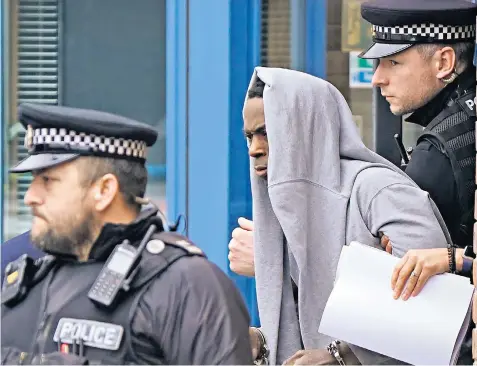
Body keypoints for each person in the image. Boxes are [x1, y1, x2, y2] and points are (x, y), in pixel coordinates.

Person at [1, 103, 253, 365]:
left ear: (104, 190)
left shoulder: (186, 286)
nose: (30, 197)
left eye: (48, 181)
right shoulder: (27, 283)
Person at [242, 67, 454, 365]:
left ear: (305, 127)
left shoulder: (380, 191)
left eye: (266, 132)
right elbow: (311, 325)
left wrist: (344, 356)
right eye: (249, 136)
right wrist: (259, 342)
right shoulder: (287, 210)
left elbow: (435, 307)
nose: (254, 149)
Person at [358, 0, 477, 291]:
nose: (377, 79)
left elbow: (394, 279)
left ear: (443, 62)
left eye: (393, 62)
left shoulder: (437, 153)